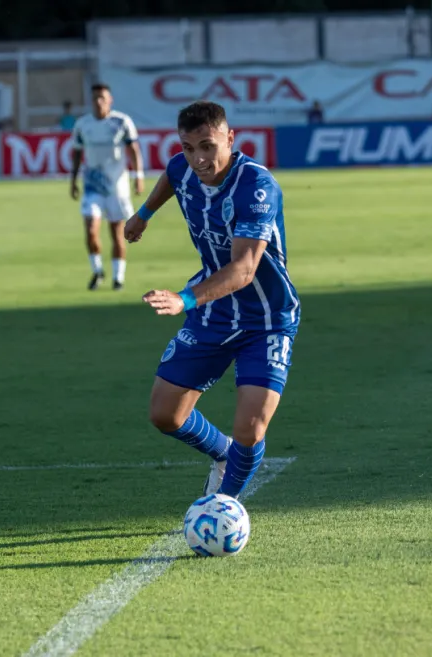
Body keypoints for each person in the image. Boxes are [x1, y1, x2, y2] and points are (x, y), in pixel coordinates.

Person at [123, 100, 301, 499]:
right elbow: (172, 173)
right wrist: (143, 214)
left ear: (230, 138)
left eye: (208, 146)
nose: (199, 159)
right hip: (216, 310)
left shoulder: (256, 186)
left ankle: (224, 504)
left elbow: (243, 270)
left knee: (251, 429)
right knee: (165, 415)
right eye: (189, 147)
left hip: (267, 318)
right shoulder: (183, 166)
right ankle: (223, 455)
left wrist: (185, 299)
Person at [70, 83, 145, 290]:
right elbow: (77, 153)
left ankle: (118, 278)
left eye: (102, 97)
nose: (98, 101)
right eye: (95, 98)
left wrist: (138, 176)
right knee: (91, 230)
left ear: (110, 100)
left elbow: (133, 150)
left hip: (117, 189)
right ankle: (97, 271)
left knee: (117, 234)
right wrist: (73, 181)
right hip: (92, 187)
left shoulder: (121, 122)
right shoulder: (82, 124)